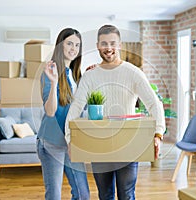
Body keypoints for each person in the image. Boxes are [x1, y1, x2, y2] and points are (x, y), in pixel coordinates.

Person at [65, 24, 166, 200]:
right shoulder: (90, 76)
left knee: (127, 195)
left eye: (113, 43)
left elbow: (154, 103)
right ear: (97, 45)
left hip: (127, 144)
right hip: (99, 145)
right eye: (104, 43)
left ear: (120, 45)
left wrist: (157, 134)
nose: (108, 48)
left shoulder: (133, 73)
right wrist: (70, 139)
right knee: (105, 195)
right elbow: (75, 108)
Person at [36, 28, 90, 200]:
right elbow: (50, 111)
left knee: (82, 194)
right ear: (60, 45)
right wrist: (53, 83)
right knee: (54, 196)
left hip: (71, 142)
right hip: (51, 143)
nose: (73, 48)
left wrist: (92, 76)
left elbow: (81, 108)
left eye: (77, 45)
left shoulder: (76, 75)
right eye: (69, 43)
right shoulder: (50, 71)